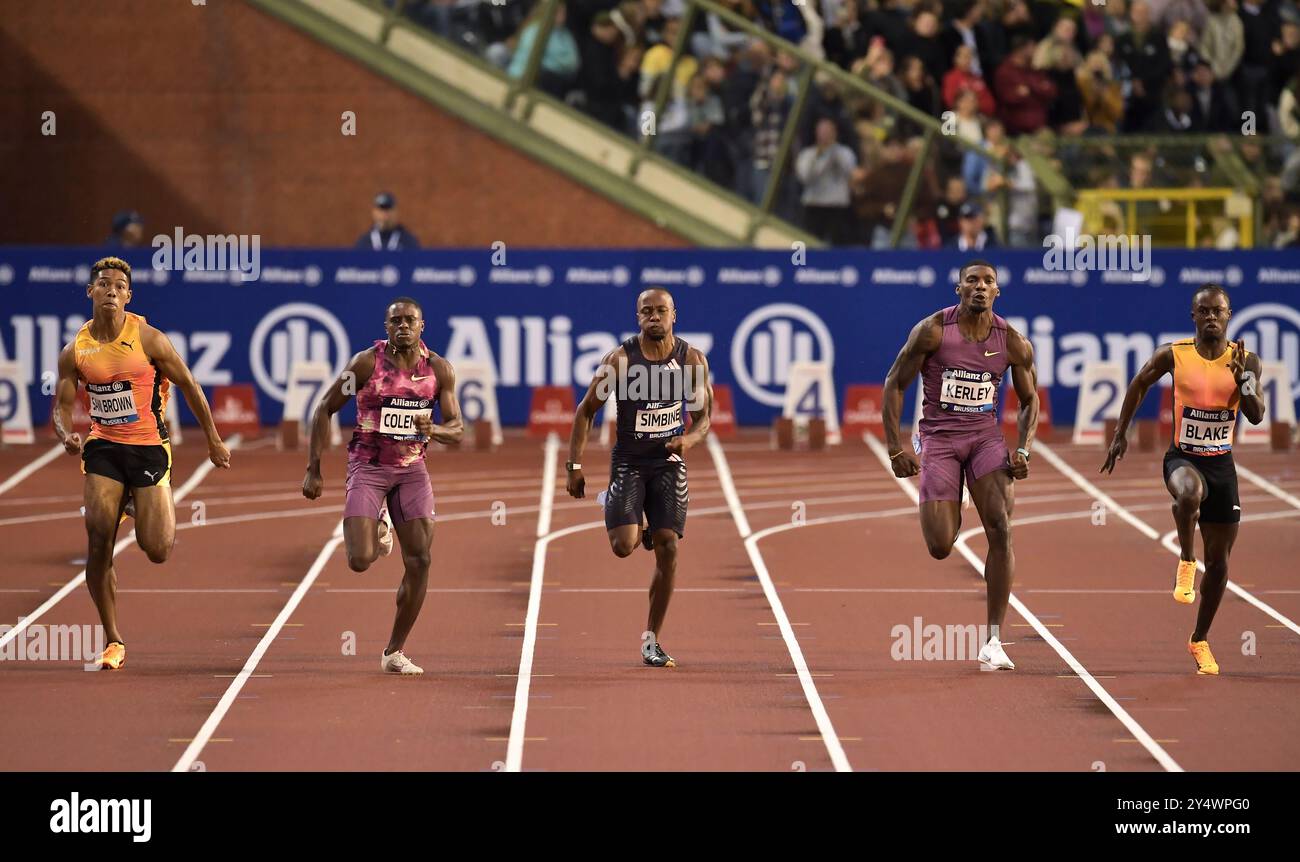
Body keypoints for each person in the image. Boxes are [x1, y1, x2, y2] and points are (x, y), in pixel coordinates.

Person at [52, 257, 232, 670]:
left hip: (150, 447)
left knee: (158, 549)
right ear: (90, 292)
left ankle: (144, 499)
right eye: (103, 284)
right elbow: (61, 406)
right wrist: (66, 435)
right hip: (104, 449)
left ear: (128, 296)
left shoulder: (150, 339)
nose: (111, 291)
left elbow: (189, 385)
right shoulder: (75, 350)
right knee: (98, 541)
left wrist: (213, 440)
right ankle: (113, 638)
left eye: (119, 286)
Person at [881, 260, 1040, 670]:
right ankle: (956, 497)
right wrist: (895, 448)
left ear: (998, 292)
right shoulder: (933, 330)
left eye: (988, 282)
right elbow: (895, 384)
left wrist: (1023, 449)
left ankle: (993, 639)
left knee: (1002, 529)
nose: (980, 288)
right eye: (972, 281)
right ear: (959, 289)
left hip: (985, 438)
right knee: (940, 546)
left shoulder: (1013, 341)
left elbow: (1029, 400)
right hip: (940, 438)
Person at [1100, 285, 1266, 675]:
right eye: (1203, 311)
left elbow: (1257, 415)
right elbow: (1140, 382)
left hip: (1221, 464)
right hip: (1182, 458)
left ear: (1229, 315)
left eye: (1218, 312)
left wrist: (1244, 382)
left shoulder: (1247, 361)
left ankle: (1199, 639)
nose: (1211, 318)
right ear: (1193, 316)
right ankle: (1186, 559)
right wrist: (1120, 432)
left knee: (1222, 565)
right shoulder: (1174, 354)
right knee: (1188, 497)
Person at [302, 297, 463, 674]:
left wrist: (434, 429)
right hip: (369, 467)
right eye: (396, 321)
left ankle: (394, 651)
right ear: (386, 327)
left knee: (420, 560)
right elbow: (324, 407)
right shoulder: (365, 363)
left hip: (412, 471)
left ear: (423, 325)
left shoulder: (440, 369)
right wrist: (314, 469)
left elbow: (457, 429)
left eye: (410, 320)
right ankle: (380, 528)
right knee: (359, 560)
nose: (403, 326)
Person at [565, 287, 712, 668]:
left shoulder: (692, 360)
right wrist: (574, 466)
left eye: (661, 311)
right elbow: (585, 411)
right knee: (623, 546)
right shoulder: (620, 361)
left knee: (668, 546)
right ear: (638, 317)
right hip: (630, 461)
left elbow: (704, 419)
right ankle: (630, 517)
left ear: (673, 315)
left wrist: (690, 439)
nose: (654, 317)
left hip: (668, 462)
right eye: (646, 311)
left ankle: (652, 638)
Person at [356, 193, 420, 251]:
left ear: (396, 212)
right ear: (374, 212)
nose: (384, 214)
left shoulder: (408, 240)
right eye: (381, 209)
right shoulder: (365, 241)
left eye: (388, 209)